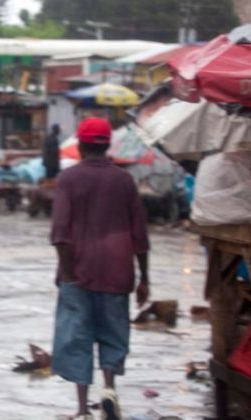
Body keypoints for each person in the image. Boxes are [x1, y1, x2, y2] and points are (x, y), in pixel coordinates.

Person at [50, 117, 150, 420]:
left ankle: (82, 410)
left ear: (80, 145)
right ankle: (108, 390)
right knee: (113, 335)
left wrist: (67, 273)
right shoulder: (124, 180)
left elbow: (60, 233)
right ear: (107, 145)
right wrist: (145, 278)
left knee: (77, 339)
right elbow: (140, 235)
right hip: (118, 272)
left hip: (78, 271)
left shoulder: (69, 179)